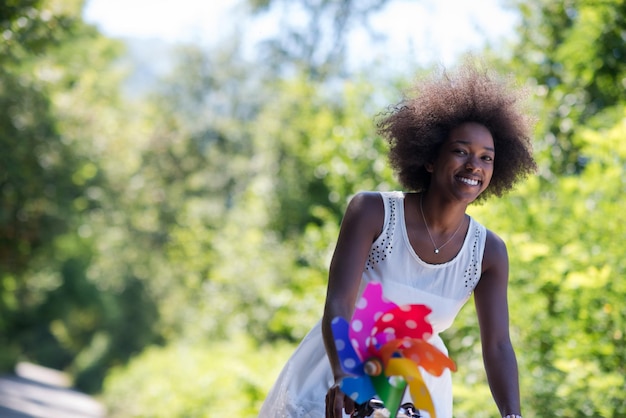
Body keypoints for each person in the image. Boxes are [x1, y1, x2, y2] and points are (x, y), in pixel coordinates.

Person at [259, 62, 536, 418]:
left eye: (486, 158)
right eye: (460, 151)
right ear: (430, 158)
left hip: (417, 390)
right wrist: (348, 379)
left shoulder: (489, 252)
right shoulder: (372, 212)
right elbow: (338, 306)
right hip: (342, 370)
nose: (474, 165)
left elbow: (497, 344)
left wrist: (512, 414)